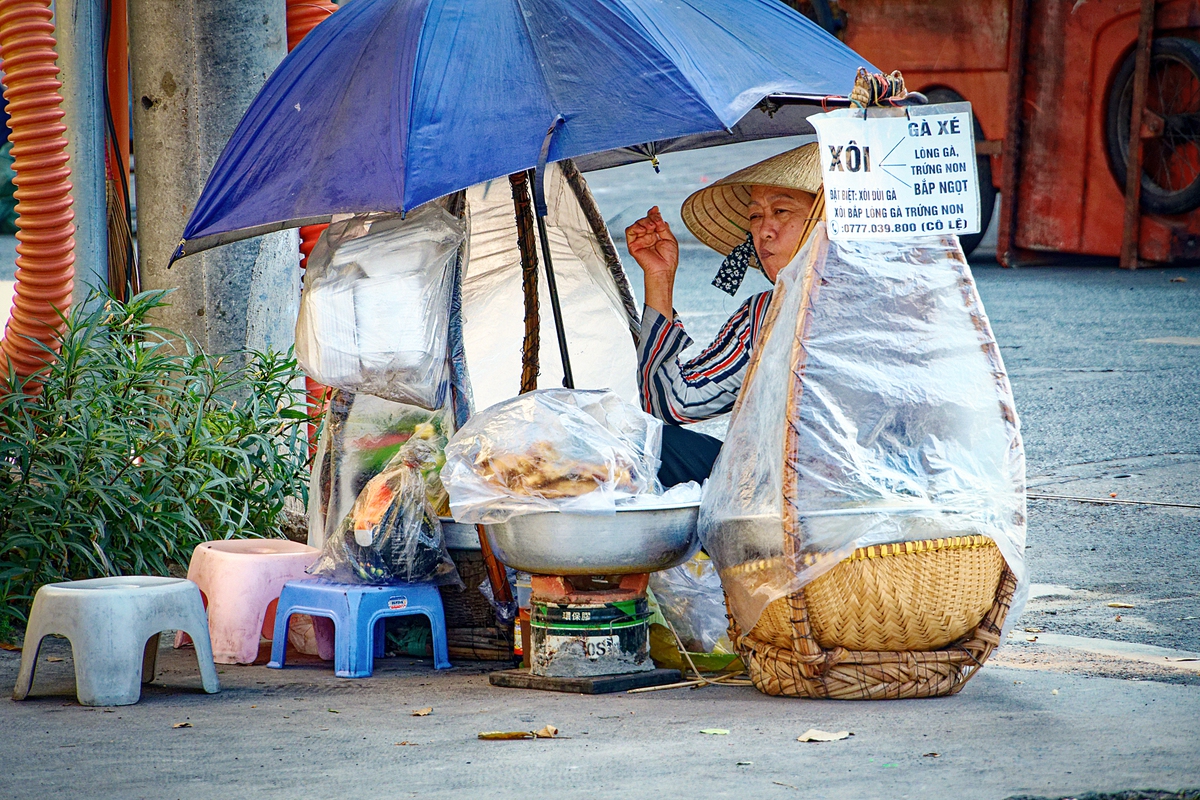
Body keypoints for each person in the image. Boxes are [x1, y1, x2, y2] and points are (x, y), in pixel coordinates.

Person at [624, 143, 823, 486]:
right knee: (646, 446)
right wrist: (659, 278)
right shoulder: (762, 314)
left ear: (825, 219)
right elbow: (672, 403)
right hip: (768, 486)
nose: (765, 231)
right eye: (756, 216)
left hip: (864, 490)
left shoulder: (890, 300)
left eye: (782, 212)